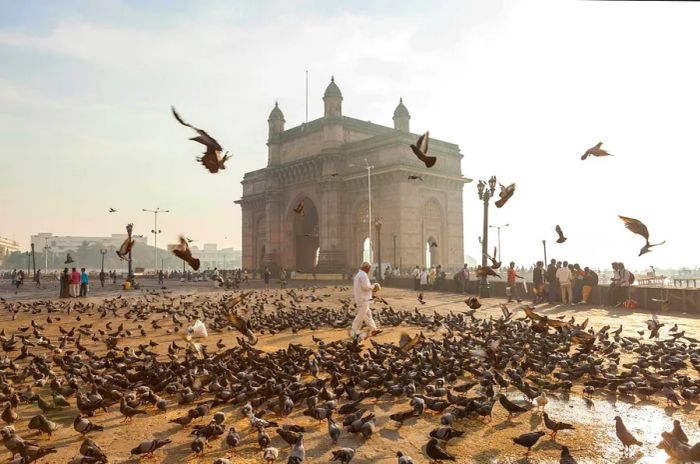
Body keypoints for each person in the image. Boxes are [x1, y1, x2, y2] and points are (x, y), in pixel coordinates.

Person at [351, 262, 380, 339]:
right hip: (363, 299)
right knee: (360, 316)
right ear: (366, 267)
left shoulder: (358, 275)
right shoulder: (363, 275)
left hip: (361, 298)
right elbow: (366, 287)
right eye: (369, 268)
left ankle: (373, 329)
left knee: (367, 315)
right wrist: (374, 286)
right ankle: (353, 332)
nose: (369, 270)